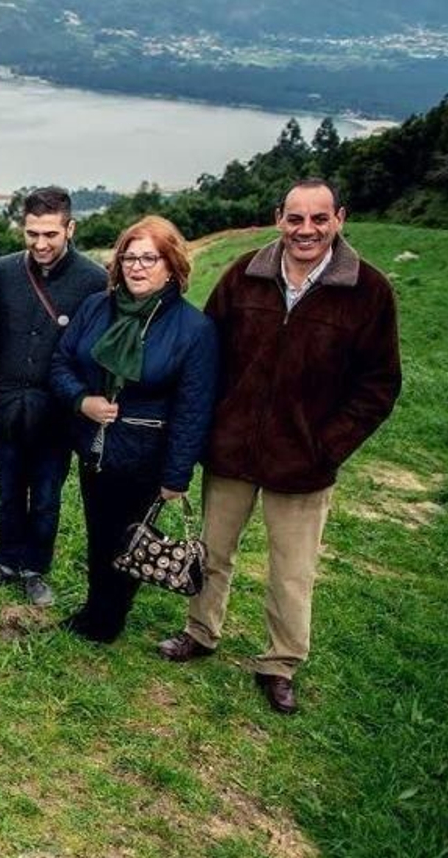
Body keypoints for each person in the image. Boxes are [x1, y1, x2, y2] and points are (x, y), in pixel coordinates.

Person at [157, 179, 401, 714]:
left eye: (318, 219)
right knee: (212, 552)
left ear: (339, 218)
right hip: (232, 448)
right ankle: (200, 632)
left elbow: (379, 385)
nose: (306, 230)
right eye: (296, 219)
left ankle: (281, 662)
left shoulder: (368, 290)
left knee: (292, 569)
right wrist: (211, 425)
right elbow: (206, 354)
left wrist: (326, 446)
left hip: (304, 461)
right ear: (278, 219)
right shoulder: (244, 274)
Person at [48, 215, 217, 643]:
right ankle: (96, 609)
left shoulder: (193, 329)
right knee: (100, 532)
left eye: (150, 258)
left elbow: (193, 408)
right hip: (95, 445)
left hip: (146, 453)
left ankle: (105, 620)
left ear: (171, 265)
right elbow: (61, 362)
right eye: (129, 257)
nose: (137, 267)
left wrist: (176, 475)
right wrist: (81, 400)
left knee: (129, 540)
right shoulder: (97, 307)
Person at [0, 187, 108, 606]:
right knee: (8, 492)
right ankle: (5, 562)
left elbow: (94, 350)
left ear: (70, 227)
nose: (41, 243)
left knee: (47, 496)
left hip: (58, 412)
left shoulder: (93, 280)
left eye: (50, 234)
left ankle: (35, 569)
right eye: (32, 234)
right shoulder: (4, 270)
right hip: (7, 406)